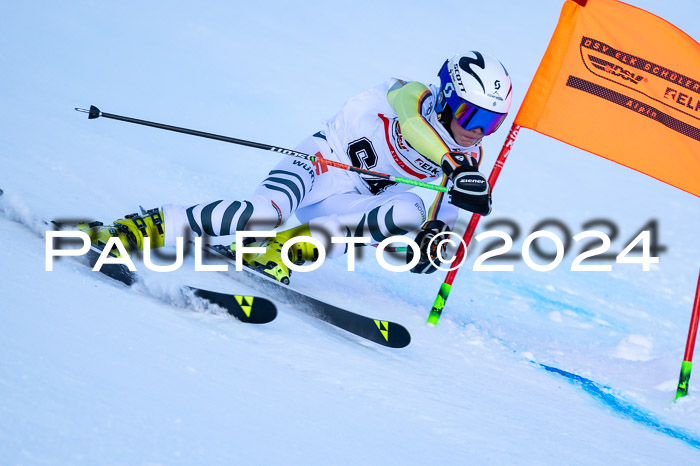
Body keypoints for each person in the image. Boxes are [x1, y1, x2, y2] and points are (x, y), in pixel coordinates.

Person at [83, 51, 512, 284]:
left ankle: (281, 250)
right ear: (447, 98)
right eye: (472, 116)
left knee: (411, 212)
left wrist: (430, 246)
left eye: (492, 123)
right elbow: (414, 125)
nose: (479, 132)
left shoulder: (464, 163)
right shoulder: (413, 95)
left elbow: (427, 227)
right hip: (320, 163)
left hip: (347, 206)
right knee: (261, 213)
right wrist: (454, 167)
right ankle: (134, 229)